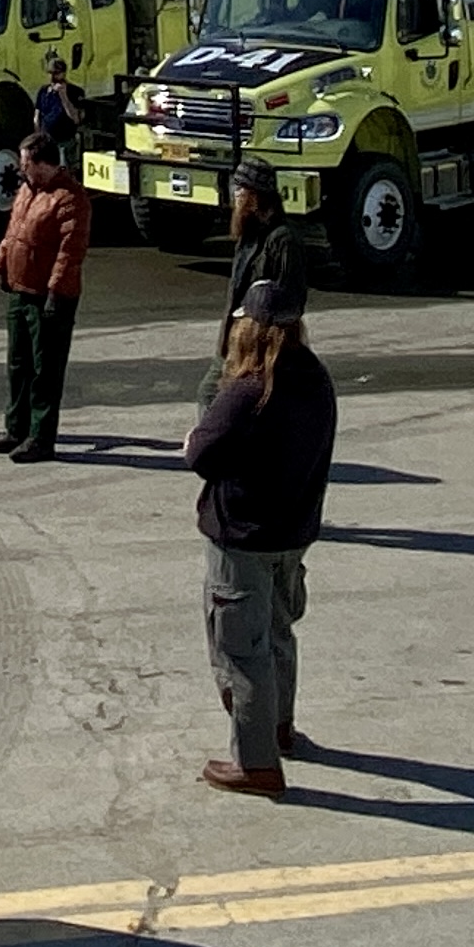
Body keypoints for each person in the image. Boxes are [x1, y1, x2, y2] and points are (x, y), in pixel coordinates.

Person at [180, 277, 338, 797]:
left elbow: (202, 454)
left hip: (243, 537)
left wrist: (194, 440)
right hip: (294, 531)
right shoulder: (316, 379)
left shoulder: (247, 391)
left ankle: (256, 762)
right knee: (277, 633)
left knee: (240, 648)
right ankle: (278, 725)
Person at [0, 134, 90, 462]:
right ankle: (15, 428)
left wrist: (56, 292)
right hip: (20, 290)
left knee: (45, 369)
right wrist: (2, 262)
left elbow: (70, 252)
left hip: (49, 296)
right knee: (18, 363)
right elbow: (13, 230)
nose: (22, 169)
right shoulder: (26, 190)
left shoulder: (70, 198)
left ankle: (41, 437)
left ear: (43, 163)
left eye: (27, 163)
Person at [200, 161, 317, 402]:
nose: (235, 195)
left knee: (223, 400)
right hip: (233, 344)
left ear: (254, 196)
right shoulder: (248, 234)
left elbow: (292, 301)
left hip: (260, 349)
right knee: (210, 394)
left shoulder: (284, 240)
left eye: (240, 189)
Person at [33, 54, 84, 162]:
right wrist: (38, 136)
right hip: (47, 140)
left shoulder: (75, 92)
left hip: (65, 140)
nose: (52, 77)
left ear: (63, 73)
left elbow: (76, 118)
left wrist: (63, 96)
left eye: (56, 73)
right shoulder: (43, 91)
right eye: (50, 73)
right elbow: (37, 115)